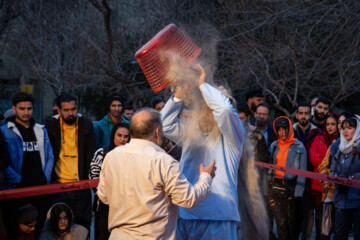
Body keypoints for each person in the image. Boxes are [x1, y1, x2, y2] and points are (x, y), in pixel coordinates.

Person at [97, 108, 215, 239]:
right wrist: (206, 177)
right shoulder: (163, 161)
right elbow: (187, 199)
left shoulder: (111, 157)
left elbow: (103, 196)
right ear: (158, 132)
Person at [161, 64, 246, 239]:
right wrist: (178, 97)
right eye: (203, 104)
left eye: (210, 105)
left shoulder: (232, 137)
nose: (205, 109)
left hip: (219, 216)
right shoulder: (191, 132)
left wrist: (202, 85)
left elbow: (224, 111)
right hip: (186, 213)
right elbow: (163, 125)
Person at [1, 92, 54, 238]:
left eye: (29, 108)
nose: (26, 112)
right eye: (22, 108)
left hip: (39, 187)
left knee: (38, 229)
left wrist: (45, 177)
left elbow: (50, 155)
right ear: (14, 109)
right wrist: (17, 180)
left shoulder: (40, 130)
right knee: (16, 229)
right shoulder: (5, 131)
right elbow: (4, 162)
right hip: (17, 188)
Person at [45, 92, 95, 230]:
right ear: (59, 110)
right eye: (66, 110)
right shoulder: (51, 124)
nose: (70, 113)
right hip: (58, 185)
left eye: (73, 109)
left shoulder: (86, 124)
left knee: (82, 226)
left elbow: (90, 153)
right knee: (57, 227)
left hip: (81, 184)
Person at [267, 116, 307, 240]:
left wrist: (298, 194)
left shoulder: (299, 146)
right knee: (281, 224)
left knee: (292, 226)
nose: (282, 132)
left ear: (289, 129)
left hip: (291, 189)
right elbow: (268, 168)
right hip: (275, 188)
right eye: (279, 129)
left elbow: (302, 172)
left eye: (284, 129)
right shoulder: (274, 145)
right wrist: (267, 189)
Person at [90, 123, 130, 240]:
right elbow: (93, 177)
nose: (122, 139)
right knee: (103, 235)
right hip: (104, 204)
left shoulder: (132, 155)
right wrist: (106, 196)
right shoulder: (102, 153)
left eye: (126, 136)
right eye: (119, 135)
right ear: (113, 135)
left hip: (127, 204)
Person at [307, 113, 339, 240]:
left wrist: (324, 160)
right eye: (328, 124)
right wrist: (327, 163)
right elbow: (313, 157)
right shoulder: (318, 137)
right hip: (320, 187)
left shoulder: (342, 141)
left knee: (333, 225)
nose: (330, 127)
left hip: (335, 189)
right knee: (320, 222)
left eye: (333, 124)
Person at [329, 117, 360, 239]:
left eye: (350, 128)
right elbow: (333, 169)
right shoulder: (338, 148)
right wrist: (335, 178)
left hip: (357, 201)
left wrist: (351, 179)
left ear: (357, 130)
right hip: (341, 200)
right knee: (339, 234)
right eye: (344, 128)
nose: (345, 131)